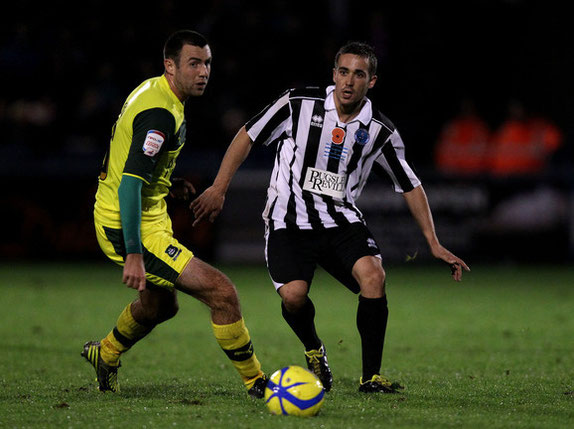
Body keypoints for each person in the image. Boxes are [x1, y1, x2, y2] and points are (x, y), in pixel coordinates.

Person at [190, 41, 470, 393]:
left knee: (373, 277)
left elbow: (410, 185)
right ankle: (313, 349)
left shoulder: (380, 132)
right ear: (333, 74)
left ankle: (371, 377)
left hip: (341, 221)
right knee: (293, 296)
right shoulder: (297, 103)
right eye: (343, 71)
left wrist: (433, 242)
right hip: (288, 220)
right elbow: (247, 135)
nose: (349, 81)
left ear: (372, 81)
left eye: (359, 74)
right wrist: (219, 187)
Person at [84, 29, 267, 398]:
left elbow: (132, 162)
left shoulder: (156, 91)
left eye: (208, 63)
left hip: (139, 213)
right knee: (222, 292)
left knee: (161, 305)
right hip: (126, 222)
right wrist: (134, 253)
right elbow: (130, 186)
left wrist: (170, 182)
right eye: (194, 63)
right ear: (170, 65)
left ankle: (105, 353)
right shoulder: (160, 114)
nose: (203, 72)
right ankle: (258, 384)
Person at [434, 97, 490, 176]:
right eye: (463, 107)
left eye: (469, 107)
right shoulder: (451, 128)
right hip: (450, 178)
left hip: (476, 177)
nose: (466, 110)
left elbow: (487, 156)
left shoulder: (480, 129)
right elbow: (442, 154)